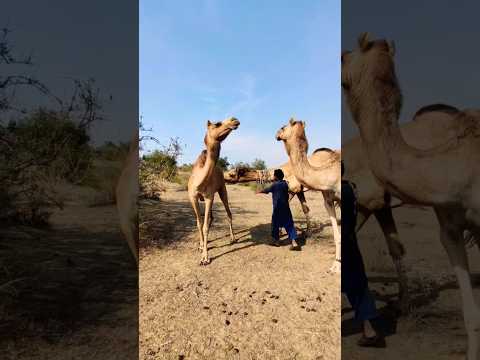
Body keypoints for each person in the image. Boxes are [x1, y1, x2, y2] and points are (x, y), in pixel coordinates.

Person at [341, 161, 386, 348]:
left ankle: (370, 331)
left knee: (354, 286)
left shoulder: (341, 192)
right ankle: (369, 331)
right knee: (357, 286)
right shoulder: (350, 187)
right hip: (351, 241)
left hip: (344, 244)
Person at [256, 169, 301, 250]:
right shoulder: (285, 184)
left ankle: (276, 241)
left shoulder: (274, 185)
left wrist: (259, 191)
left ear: (275, 176)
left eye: (274, 175)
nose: (273, 176)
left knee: (275, 224)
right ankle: (294, 242)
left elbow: (266, 190)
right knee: (289, 224)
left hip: (277, 208)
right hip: (286, 207)